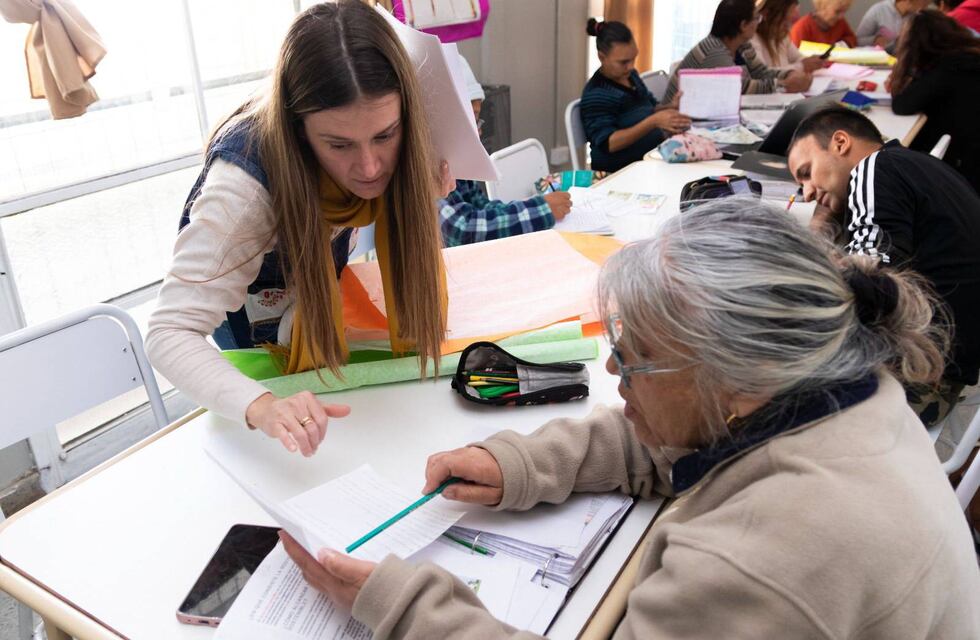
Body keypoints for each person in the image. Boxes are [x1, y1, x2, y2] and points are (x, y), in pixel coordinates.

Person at [280, 199, 980, 638]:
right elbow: (680, 434)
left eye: (634, 360)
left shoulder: (756, 563)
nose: (613, 377)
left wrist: (402, 604)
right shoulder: (837, 384)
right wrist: (521, 463)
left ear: (733, 378)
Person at [146, 1, 454, 456]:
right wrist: (261, 406)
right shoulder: (244, 191)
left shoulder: (404, 135)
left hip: (315, 314)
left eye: (385, 136)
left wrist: (418, 185)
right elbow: (169, 333)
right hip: (259, 349)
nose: (369, 167)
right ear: (297, 131)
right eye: (338, 144)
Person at [787, 106, 980, 425]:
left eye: (807, 172)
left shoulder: (873, 169)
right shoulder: (914, 164)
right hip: (948, 363)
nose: (807, 193)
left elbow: (867, 282)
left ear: (840, 143)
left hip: (918, 384)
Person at [437, 55, 571, 246]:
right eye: (472, 118)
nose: (479, 130)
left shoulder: (455, 157)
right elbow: (462, 229)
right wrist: (541, 209)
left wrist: (529, 206)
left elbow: (479, 206)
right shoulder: (425, 163)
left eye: (478, 119)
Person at [580, 18, 692, 173]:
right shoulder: (597, 94)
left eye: (633, 58)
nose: (631, 66)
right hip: (619, 171)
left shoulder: (630, 76)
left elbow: (651, 107)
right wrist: (653, 122)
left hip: (650, 159)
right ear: (601, 57)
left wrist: (669, 107)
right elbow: (609, 143)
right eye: (623, 62)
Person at [890, 9, 980, 192]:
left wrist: (904, 72)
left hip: (963, 169)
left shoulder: (948, 69)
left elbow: (902, 105)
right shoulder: (968, 58)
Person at [663, 0, 811, 104]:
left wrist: (790, 74)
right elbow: (740, 86)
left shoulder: (743, 44)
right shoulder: (713, 51)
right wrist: (784, 84)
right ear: (743, 25)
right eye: (756, 18)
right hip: (676, 119)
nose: (758, 22)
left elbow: (761, 72)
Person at [751, 0, 827, 71]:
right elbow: (762, 74)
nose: (788, 28)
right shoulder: (752, 39)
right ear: (766, 15)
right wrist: (802, 66)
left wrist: (811, 62)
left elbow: (797, 58)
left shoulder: (781, 34)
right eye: (784, 21)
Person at [855, 0, 931, 50]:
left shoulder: (919, 16)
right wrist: (874, 40)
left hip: (906, 63)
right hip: (879, 62)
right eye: (924, 3)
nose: (926, 7)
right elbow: (857, 40)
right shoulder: (878, 11)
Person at [790, 0, 858, 47]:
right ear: (822, 8)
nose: (841, 16)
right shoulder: (801, 28)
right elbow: (795, 58)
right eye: (837, 12)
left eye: (844, 11)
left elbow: (852, 38)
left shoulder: (840, 22)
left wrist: (843, 44)